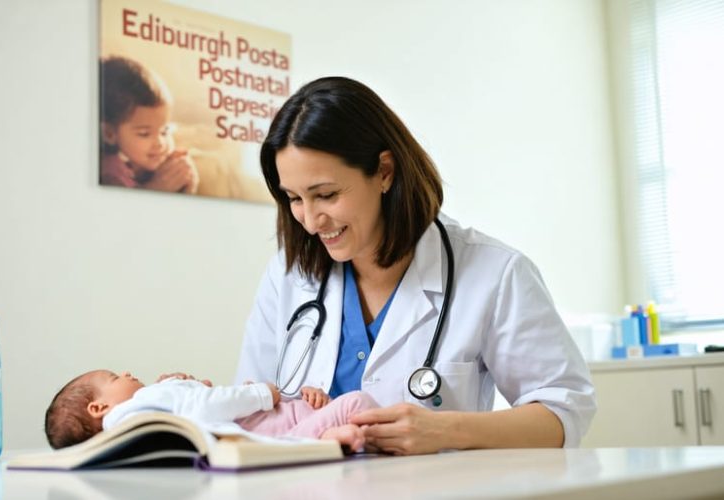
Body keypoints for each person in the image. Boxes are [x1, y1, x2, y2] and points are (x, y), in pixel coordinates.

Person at [235, 76, 596, 455]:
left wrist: (448, 430)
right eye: (294, 199)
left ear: (385, 172)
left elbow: (564, 413)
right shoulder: (289, 276)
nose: (309, 221)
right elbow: (249, 410)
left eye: (326, 195)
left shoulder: (494, 273)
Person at [44, 370, 378, 451]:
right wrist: (261, 393)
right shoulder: (134, 409)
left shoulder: (139, 417)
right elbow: (205, 409)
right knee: (357, 403)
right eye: (116, 376)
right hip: (269, 434)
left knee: (318, 413)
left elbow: (197, 408)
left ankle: (331, 440)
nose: (129, 374)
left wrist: (192, 387)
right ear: (99, 407)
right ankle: (330, 438)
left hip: (269, 429)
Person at [99, 56, 199, 194]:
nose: (160, 143)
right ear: (109, 134)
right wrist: (159, 187)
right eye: (144, 134)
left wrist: (187, 184)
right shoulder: (110, 173)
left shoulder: (152, 158)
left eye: (164, 131)